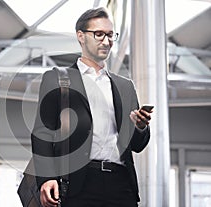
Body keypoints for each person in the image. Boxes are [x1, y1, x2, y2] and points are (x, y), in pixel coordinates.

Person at [31, 7, 152, 207]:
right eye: (99, 34)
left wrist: (140, 126)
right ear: (81, 36)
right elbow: (42, 131)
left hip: (122, 185)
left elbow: (137, 145)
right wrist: (46, 177)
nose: (107, 41)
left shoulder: (125, 86)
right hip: (79, 183)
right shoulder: (59, 79)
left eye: (111, 35)